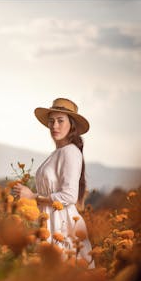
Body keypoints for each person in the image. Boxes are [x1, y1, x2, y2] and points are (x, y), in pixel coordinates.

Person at [13, 97, 94, 268]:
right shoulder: (57, 153)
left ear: (71, 124)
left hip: (61, 222)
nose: (54, 126)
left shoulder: (70, 152)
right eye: (51, 121)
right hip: (48, 219)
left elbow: (69, 196)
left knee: (64, 278)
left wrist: (32, 196)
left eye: (60, 120)